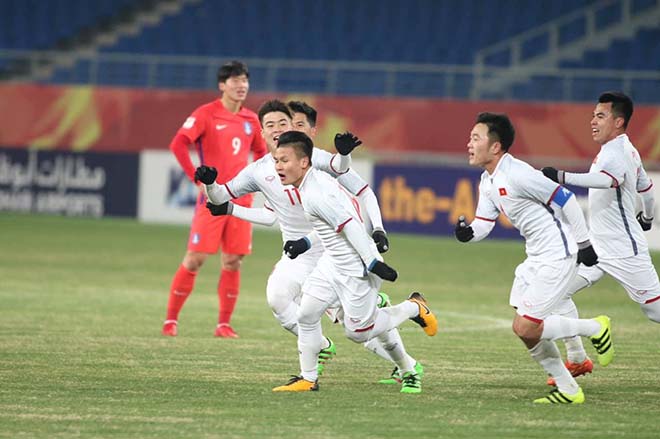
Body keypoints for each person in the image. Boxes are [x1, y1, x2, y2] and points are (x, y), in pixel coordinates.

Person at [197, 100, 423, 384]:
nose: (279, 129)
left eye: (284, 123)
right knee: (280, 298)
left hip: (334, 250)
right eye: (271, 125)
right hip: (300, 253)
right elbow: (260, 213)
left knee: (359, 327)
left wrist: (344, 158)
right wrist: (211, 187)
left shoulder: (311, 158)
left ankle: (406, 365)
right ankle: (317, 353)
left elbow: (345, 175)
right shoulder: (260, 171)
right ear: (262, 132)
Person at [454, 112, 614, 404]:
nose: (469, 144)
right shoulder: (487, 181)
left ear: (495, 147)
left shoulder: (518, 174)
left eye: (475, 138)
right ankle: (569, 390)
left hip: (559, 254)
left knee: (525, 326)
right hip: (535, 257)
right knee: (527, 330)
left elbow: (565, 198)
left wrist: (584, 244)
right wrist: (469, 234)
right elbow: (484, 222)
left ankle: (595, 327)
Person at [269, 130, 437, 393]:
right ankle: (308, 378)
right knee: (306, 314)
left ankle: (413, 308)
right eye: (276, 160)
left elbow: (350, 226)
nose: (279, 166)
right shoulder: (313, 184)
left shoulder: (315, 192)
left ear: (304, 162)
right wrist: (305, 243)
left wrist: (371, 262)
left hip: (354, 267)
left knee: (357, 333)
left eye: (284, 160)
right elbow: (334, 225)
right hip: (330, 264)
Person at [540, 91, 660, 384]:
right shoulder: (623, 149)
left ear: (618, 121)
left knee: (655, 311)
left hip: (623, 251)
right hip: (597, 248)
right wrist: (647, 217)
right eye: (593, 115)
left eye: (601, 116)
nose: (593, 121)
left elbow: (607, 180)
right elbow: (646, 189)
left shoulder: (617, 153)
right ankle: (578, 358)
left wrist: (562, 177)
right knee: (555, 292)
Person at [161, 60, 267, 338]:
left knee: (233, 260)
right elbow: (178, 143)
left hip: (240, 201)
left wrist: (257, 184)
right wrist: (197, 179)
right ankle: (171, 320)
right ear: (222, 85)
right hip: (212, 199)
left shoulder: (251, 119)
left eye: (244, 80)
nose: (241, 85)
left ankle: (224, 324)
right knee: (195, 258)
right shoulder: (206, 113)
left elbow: (261, 154)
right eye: (235, 80)